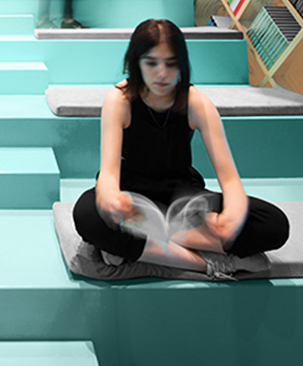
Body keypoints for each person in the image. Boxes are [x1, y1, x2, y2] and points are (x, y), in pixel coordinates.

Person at [71, 19, 289, 279]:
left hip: (183, 202)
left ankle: (143, 247)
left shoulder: (196, 103)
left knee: (274, 224)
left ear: (182, 65)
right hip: (133, 199)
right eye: (151, 63)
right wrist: (109, 199)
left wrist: (232, 217)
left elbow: (230, 180)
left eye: (171, 63)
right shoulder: (119, 99)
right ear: (136, 63)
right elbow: (108, 173)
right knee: (87, 215)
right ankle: (210, 263)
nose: (162, 73)